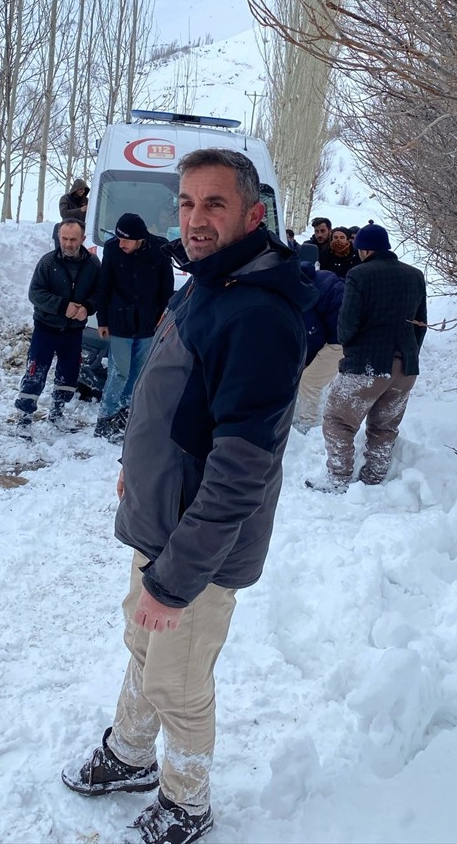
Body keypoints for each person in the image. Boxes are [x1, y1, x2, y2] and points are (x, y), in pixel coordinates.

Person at [62, 148, 310, 844]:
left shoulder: (258, 315)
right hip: (161, 522)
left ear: (254, 215)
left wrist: (174, 584)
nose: (196, 219)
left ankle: (186, 803)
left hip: (197, 550)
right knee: (142, 647)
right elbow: (167, 395)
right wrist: (134, 467)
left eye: (215, 204)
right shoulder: (205, 283)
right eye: (187, 202)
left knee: (178, 679)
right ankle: (130, 754)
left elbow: (240, 473)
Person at [315, 224, 427, 493]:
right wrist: (408, 355)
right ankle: (374, 479)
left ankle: (338, 479)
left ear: (364, 250)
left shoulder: (359, 274)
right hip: (405, 368)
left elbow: (347, 324)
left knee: (338, 420)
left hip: (366, 364)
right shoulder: (415, 276)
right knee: (385, 427)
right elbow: (420, 324)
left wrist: (350, 350)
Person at [94, 212, 174, 442]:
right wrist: (102, 320)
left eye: (126, 240)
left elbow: (166, 288)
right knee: (119, 372)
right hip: (120, 321)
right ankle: (105, 417)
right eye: (119, 238)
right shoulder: (112, 249)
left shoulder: (159, 250)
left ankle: (125, 413)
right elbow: (104, 285)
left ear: (140, 238)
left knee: (138, 373)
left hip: (148, 323)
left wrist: (163, 317)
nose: (121, 244)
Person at [14, 219, 100, 429]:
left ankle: (57, 412)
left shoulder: (93, 264)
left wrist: (88, 307)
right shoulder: (47, 262)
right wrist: (62, 306)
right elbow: (35, 294)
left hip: (74, 331)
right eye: (64, 239)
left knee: (69, 372)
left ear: (82, 238)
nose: (68, 244)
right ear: (58, 238)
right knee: (36, 371)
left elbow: (100, 293)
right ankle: (24, 417)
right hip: (46, 328)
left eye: (73, 239)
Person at [295, 243, 345, 429]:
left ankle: (308, 425)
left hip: (343, 339)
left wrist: (308, 360)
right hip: (340, 332)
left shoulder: (304, 291)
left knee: (309, 381)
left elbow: (314, 331)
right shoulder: (306, 279)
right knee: (308, 375)